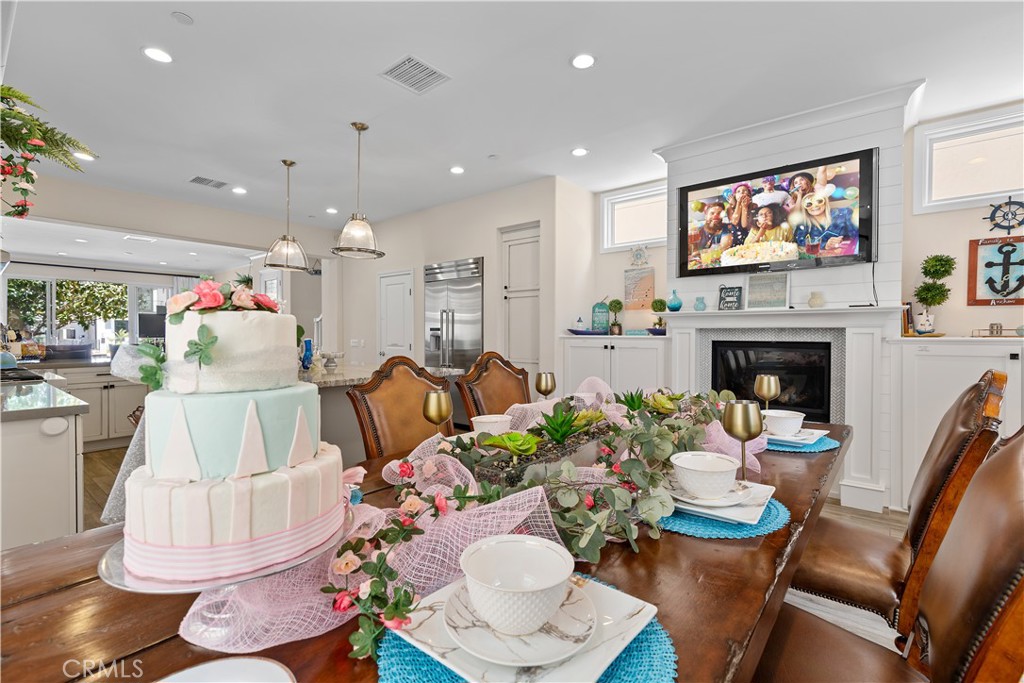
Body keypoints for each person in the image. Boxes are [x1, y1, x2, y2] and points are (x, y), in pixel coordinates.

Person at [791, 191, 858, 251]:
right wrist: (825, 245)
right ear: (805, 208)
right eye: (809, 204)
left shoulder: (844, 213)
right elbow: (799, 241)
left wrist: (844, 241)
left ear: (825, 202)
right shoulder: (804, 223)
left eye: (819, 201)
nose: (814, 206)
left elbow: (856, 234)